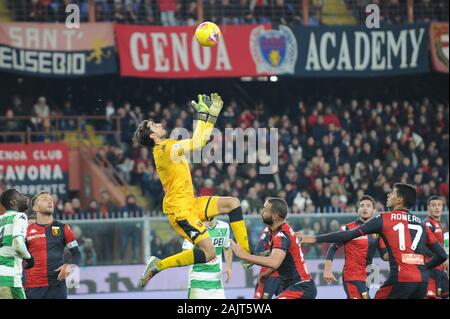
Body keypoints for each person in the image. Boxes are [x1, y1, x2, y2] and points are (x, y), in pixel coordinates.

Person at [133, 93, 251, 287]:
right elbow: (199, 142)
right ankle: (159, 265)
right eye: (154, 125)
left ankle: (246, 256)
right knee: (210, 253)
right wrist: (204, 114)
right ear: (152, 135)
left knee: (233, 203)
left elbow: (200, 140)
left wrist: (209, 115)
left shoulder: (167, 147)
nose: (159, 124)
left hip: (191, 204)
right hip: (179, 211)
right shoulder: (163, 149)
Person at [298, 183, 447, 299]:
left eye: (392, 193)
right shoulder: (421, 224)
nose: (388, 195)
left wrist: (313, 238)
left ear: (400, 200)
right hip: (422, 281)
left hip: (401, 278)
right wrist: (423, 266)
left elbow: (346, 236)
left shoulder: (384, 219)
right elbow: (442, 255)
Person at [231, 198, 317, 299]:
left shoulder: (281, 235)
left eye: (265, 209)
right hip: (296, 287)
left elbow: (274, 262)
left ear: (275, 216)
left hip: (301, 288)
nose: (262, 211)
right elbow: (281, 260)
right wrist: (267, 273)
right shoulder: (277, 231)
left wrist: (245, 256)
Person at [323, 195, 388, 299]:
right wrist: (327, 269)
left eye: (368, 206)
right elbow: (333, 247)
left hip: (366, 276)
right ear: (358, 209)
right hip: (351, 276)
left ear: (374, 210)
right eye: (362, 206)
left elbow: (385, 255)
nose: (365, 208)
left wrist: (399, 255)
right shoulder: (348, 228)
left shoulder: (377, 232)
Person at [25, 191, 81, 299]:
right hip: (33, 288)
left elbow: (77, 254)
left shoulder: (63, 228)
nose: (50, 201)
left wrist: (70, 265)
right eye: (45, 200)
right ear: (35, 208)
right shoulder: (26, 230)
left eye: (50, 200)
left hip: (57, 287)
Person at [182, 218, 232, 299]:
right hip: (198, 284)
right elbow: (185, 252)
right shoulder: (194, 228)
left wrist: (229, 267)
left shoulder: (224, 226)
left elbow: (227, 248)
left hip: (217, 285)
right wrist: (204, 255)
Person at [0, 189, 34, 299]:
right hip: (9, 279)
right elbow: (18, 245)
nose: (24, 197)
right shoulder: (19, 216)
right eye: (20, 195)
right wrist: (29, 257)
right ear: (13, 202)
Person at [423, 195, 449, 299]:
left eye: (439, 205)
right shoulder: (427, 224)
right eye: (433, 205)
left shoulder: (438, 224)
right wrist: (441, 258)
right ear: (428, 207)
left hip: (440, 270)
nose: (437, 208)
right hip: (431, 269)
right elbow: (424, 247)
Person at [253, 226, 282, 299]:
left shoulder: (268, 230)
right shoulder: (287, 231)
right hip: (283, 274)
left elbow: (258, 251)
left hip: (269, 275)